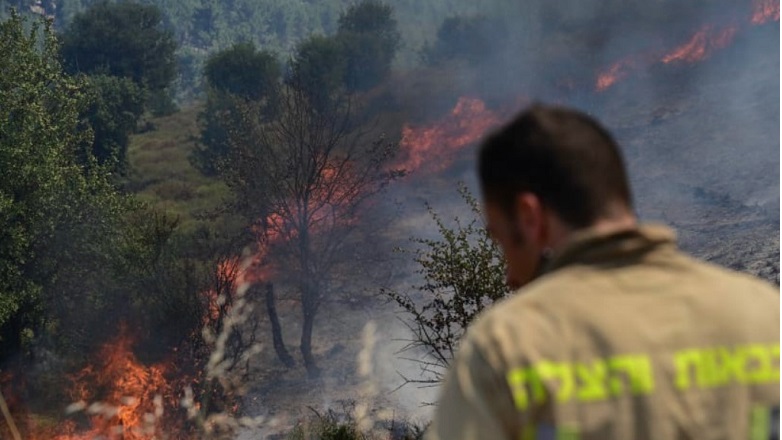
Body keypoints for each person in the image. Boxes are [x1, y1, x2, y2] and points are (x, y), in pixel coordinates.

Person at [424, 104, 780, 439]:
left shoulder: (507, 348)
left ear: (530, 217)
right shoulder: (764, 312)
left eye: (500, 240)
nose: (509, 277)